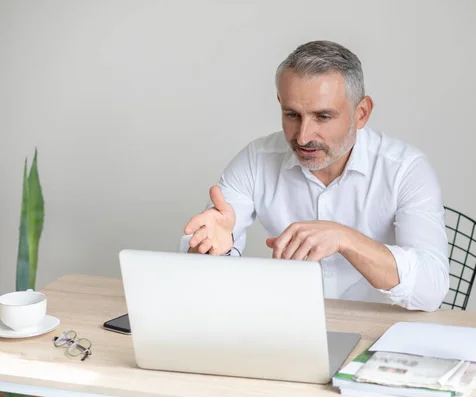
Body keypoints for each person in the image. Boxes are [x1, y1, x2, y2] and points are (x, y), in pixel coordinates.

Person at [180, 40, 449, 312]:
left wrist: (345, 239)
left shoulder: (405, 169)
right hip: (290, 328)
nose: (303, 136)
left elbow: (431, 290)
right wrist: (210, 251)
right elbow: (193, 276)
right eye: (292, 114)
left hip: (381, 335)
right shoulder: (256, 160)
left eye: (322, 116)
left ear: (361, 113)